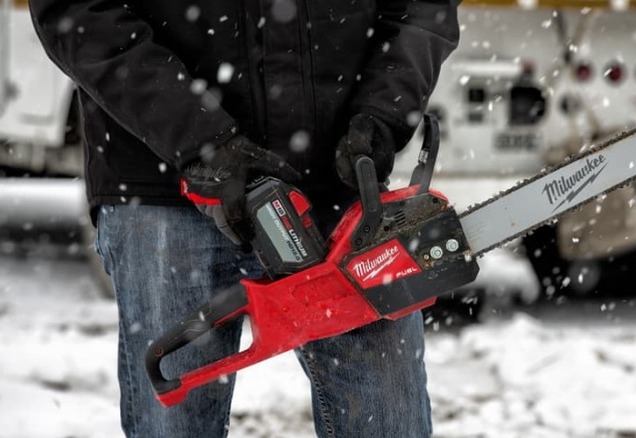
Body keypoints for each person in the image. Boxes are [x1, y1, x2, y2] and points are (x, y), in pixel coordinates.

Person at [29, 1, 459, 437]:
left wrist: (385, 107)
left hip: (340, 183)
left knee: (388, 425)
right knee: (174, 424)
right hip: (164, 181)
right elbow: (76, 9)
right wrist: (198, 138)